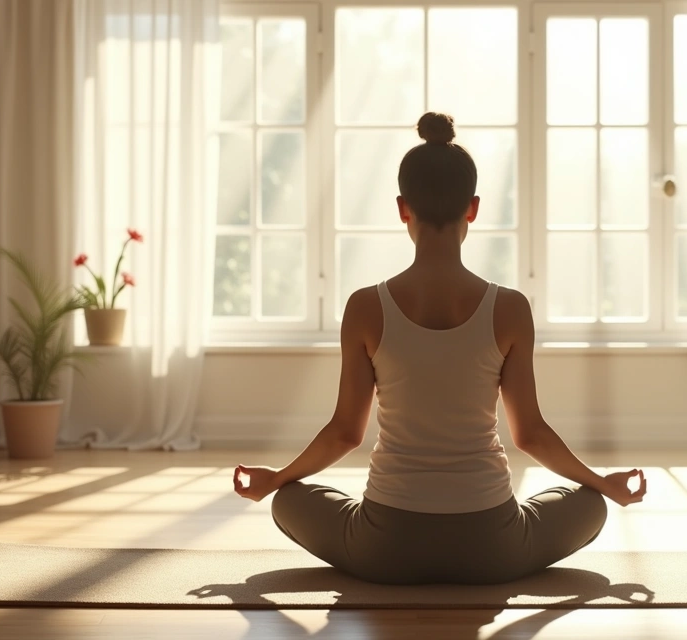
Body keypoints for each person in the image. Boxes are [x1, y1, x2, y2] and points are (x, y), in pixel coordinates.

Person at [233, 111, 647, 586]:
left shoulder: (366, 307)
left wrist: (276, 477)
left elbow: (346, 433)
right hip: (493, 548)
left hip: (383, 549)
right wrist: (604, 484)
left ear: (402, 207)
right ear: (472, 208)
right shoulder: (509, 308)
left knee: (287, 498)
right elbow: (528, 434)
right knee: (589, 504)